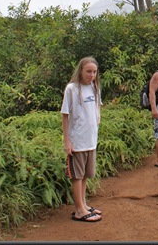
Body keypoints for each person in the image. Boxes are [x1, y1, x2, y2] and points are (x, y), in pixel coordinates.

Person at [61, 57, 103, 222]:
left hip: (91, 139)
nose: (91, 75)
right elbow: (65, 115)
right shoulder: (72, 89)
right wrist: (67, 141)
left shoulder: (95, 87)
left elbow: (96, 110)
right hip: (77, 141)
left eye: (94, 72)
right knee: (77, 176)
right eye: (88, 71)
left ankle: (84, 205)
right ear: (80, 71)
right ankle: (79, 210)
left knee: (85, 174)